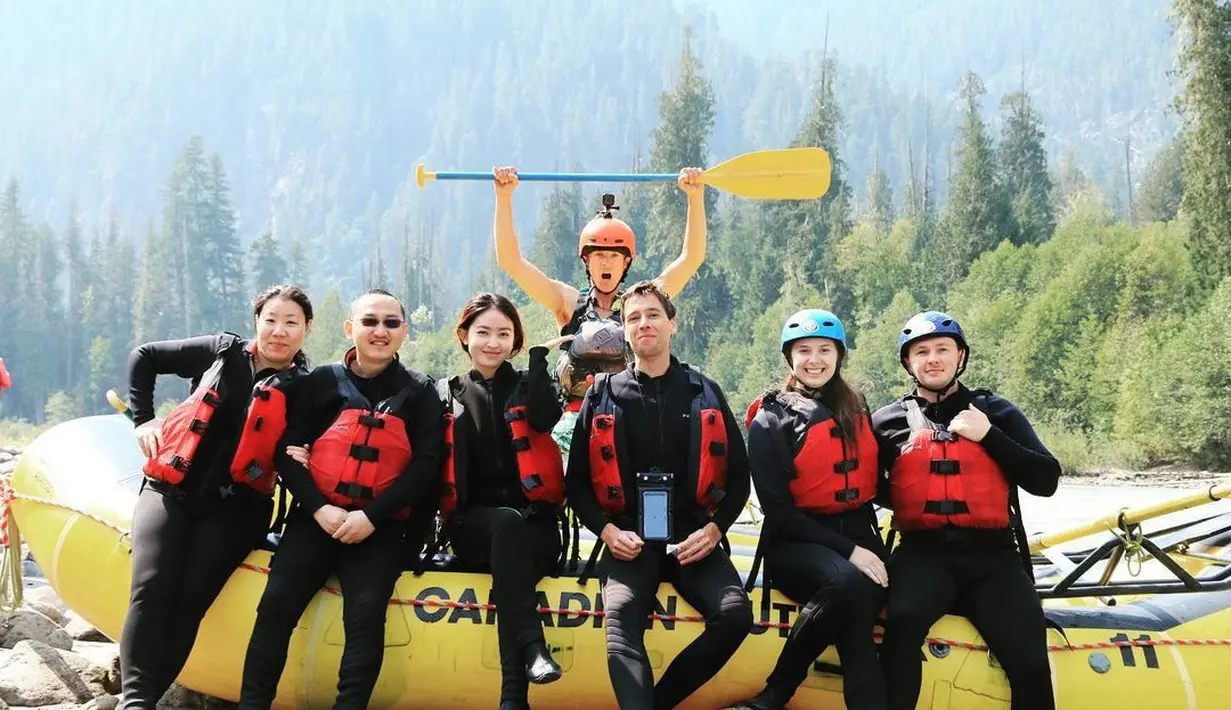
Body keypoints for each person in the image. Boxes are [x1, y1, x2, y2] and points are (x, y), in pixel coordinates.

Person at [237, 289, 444, 710]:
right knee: (275, 608)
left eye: (390, 323)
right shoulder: (321, 383)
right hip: (317, 518)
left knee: (365, 620)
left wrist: (370, 517)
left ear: (404, 331)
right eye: (369, 322)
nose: (379, 331)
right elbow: (288, 451)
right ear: (351, 329)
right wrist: (319, 507)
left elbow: (426, 466)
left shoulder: (420, 392)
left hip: (380, 528)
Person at [119, 284, 314, 710]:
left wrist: (307, 450)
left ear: (307, 329)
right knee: (150, 590)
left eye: (291, 323)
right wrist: (143, 420)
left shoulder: (308, 387)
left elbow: (315, 442)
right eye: (271, 320)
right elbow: (144, 356)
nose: (279, 331)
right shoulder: (221, 351)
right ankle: (134, 703)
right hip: (170, 490)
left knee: (189, 604)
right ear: (257, 321)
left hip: (237, 509)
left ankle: (142, 701)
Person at [565, 279, 753, 709]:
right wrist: (607, 531)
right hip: (629, 540)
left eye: (653, 315)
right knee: (620, 619)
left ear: (672, 324)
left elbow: (740, 476)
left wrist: (715, 529)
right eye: (633, 318)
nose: (643, 324)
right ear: (624, 331)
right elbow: (576, 482)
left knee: (735, 616)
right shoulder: (601, 394)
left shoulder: (704, 391)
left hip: (692, 540)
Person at [872, 311, 1061, 710]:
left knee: (1029, 658)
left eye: (943, 349)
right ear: (908, 363)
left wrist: (989, 435)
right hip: (922, 555)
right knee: (901, 625)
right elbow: (864, 488)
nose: (933, 359)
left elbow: (1046, 480)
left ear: (960, 357)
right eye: (921, 352)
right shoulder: (886, 421)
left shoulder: (996, 412)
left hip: (993, 557)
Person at [730, 310, 888, 710]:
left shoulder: (857, 406)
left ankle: (774, 698)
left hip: (859, 534)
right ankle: (778, 690)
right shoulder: (770, 419)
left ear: (839, 356)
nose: (814, 359)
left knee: (857, 620)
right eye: (804, 351)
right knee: (848, 583)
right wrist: (853, 553)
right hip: (796, 543)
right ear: (790, 358)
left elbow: (878, 480)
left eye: (824, 350)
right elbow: (780, 513)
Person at [491, 166, 709, 450]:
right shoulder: (568, 303)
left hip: (628, 416)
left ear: (626, 263)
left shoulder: (643, 303)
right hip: (575, 424)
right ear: (587, 262)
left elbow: (691, 258)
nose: (606, 263)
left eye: (613, 257)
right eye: (599, 256)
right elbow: (512, 261)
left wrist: (695, 196)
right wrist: (504, 196)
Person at [436, 292, 572, 710]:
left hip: (536, 528)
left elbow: (547, 418)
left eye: (503, 334)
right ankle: (530, 655)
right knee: (504, 527)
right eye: (483, 333)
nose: (493, 342)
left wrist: (537, 363)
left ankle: (514, 697)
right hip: (474, 527)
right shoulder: (448, 393)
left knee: (513, 537)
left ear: (514, 340)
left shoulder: (528, 385)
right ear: (464, 336)